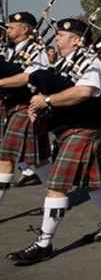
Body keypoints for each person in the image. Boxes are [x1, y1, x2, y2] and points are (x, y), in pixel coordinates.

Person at [7, 18, 101, 266]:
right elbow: (55, 88)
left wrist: (48, 102)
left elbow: (84, 92)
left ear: (76, 39)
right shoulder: (62, 63)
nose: (57, 39)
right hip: (73, 128)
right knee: (95, 183)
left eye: (61, 35)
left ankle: (44, 244)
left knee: (56, 186)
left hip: (83, 129)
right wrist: (39, 105)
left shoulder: (92, 62)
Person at [0, 12, 51, 202]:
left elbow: (29, 77)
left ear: (25, 28)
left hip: (27, 106)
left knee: (5, 158)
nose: (9, 29)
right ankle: (57, 192)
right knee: (39, 161)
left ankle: (57, 193)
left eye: (13, 26)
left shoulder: (37, 51)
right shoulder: (10, 50)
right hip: (12, 105)